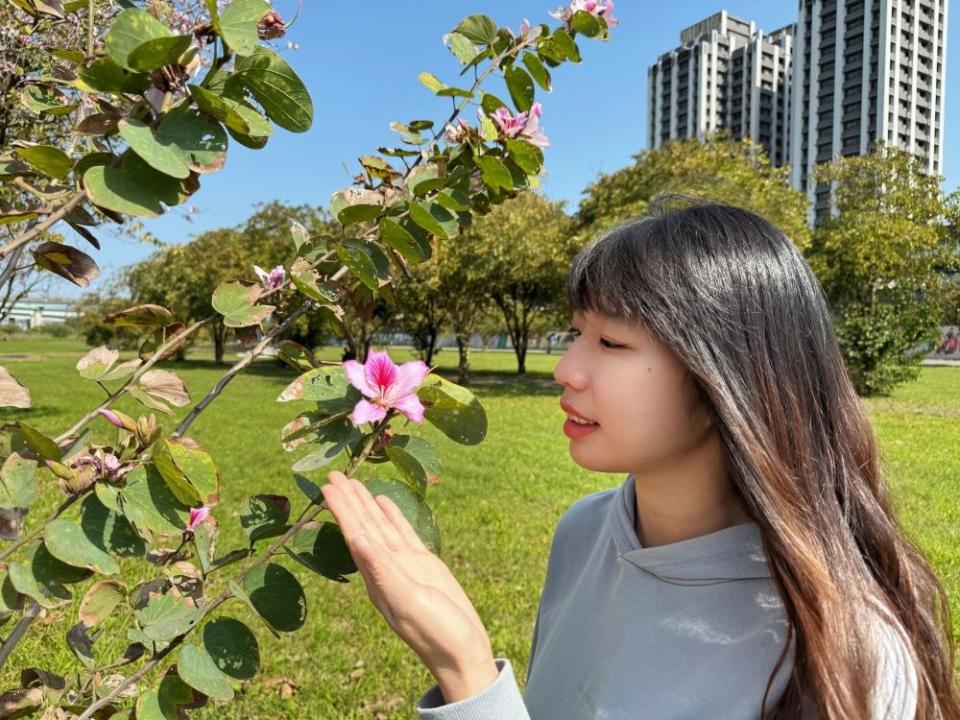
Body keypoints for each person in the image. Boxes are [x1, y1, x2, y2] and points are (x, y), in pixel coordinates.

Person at [319, 199, 960, 719]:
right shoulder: (584, 532)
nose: (567, 370)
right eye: (576, 333)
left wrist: (467, 675)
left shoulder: (850, 653)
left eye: (612, 341)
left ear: (727, 378)